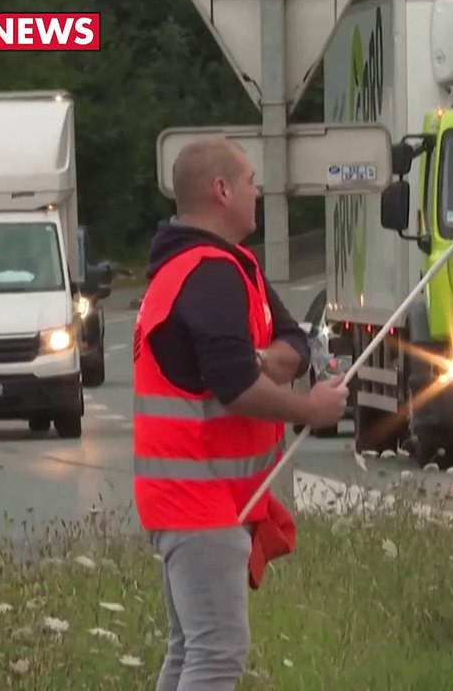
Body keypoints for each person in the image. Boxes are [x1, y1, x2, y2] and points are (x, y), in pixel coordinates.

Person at [132, 138, 348, 689]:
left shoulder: (231, 267)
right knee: (217, 653)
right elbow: (234, 385)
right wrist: (311, 409)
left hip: (206, 500)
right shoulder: (207, 275)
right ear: (221, 190)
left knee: (192, 649)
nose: (259, 190)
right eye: (250, 179)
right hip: (197, 499)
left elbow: (294, 341)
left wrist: (268, 359)